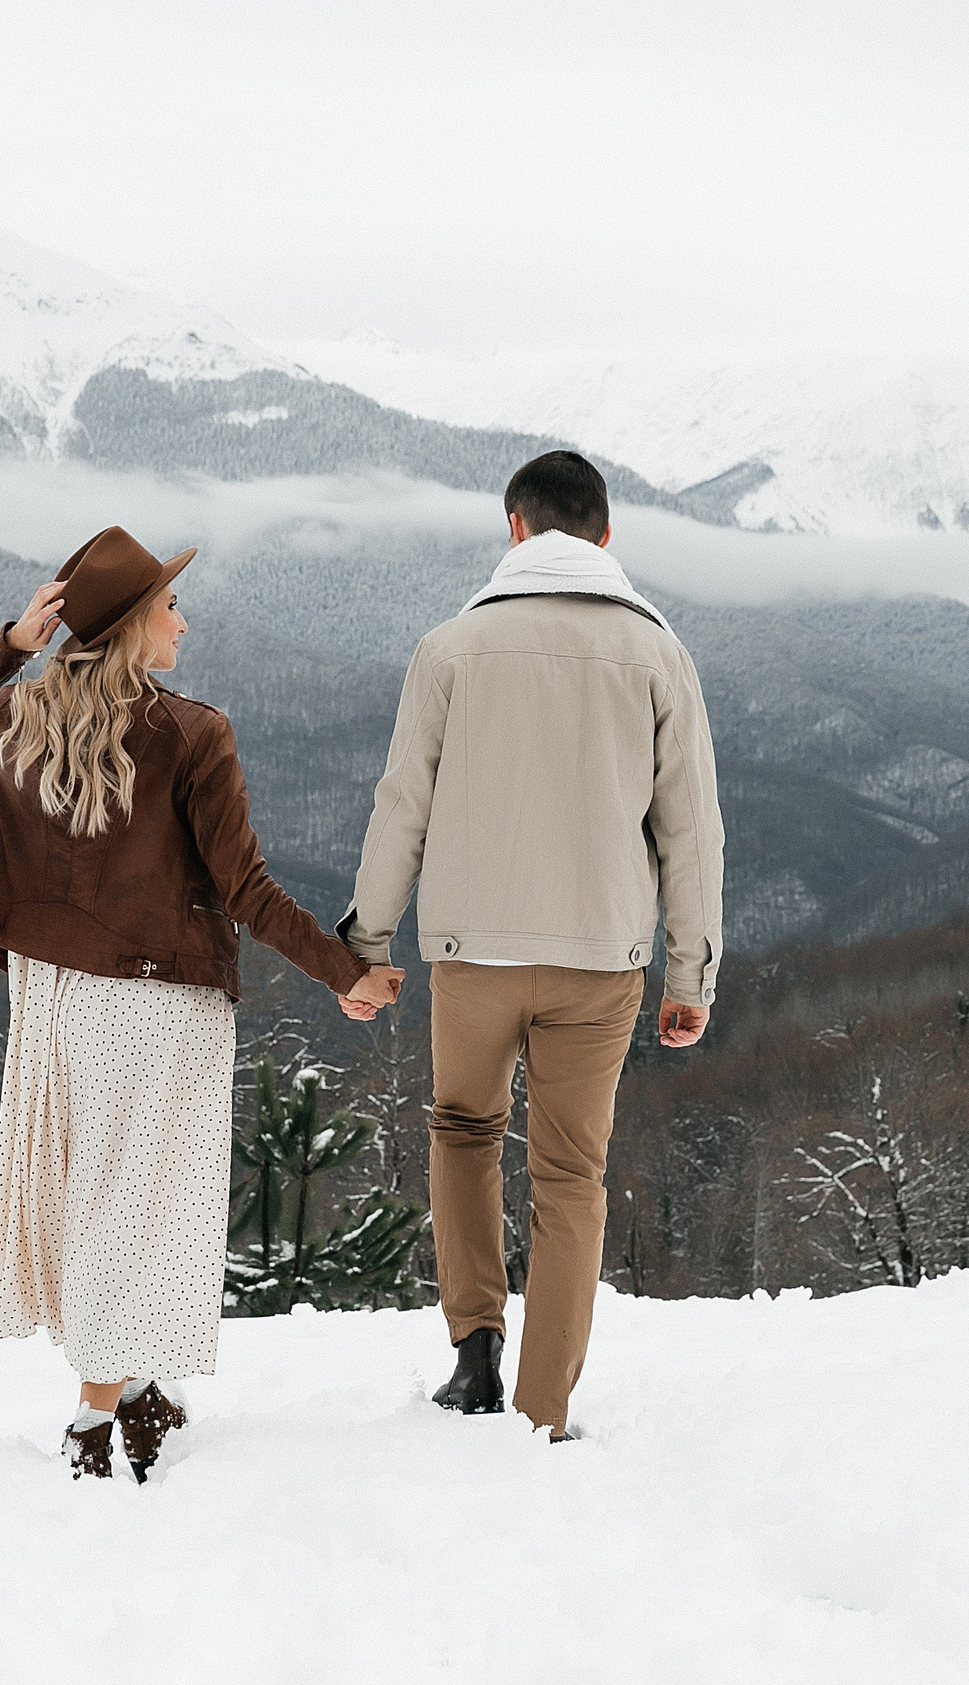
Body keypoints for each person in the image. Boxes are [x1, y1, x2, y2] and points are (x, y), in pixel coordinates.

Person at [0, 526, 403, 1481]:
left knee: (95, 1195)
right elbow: (246, 889)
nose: (183, 621)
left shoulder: (27, 714)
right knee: (135, 1205)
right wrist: (343, 971)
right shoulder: (192, 734)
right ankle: (95, 1421)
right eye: (170, 606)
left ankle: (139, 1394)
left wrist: (15, 643)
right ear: (135, 624)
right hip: (153, 1003)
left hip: (53, 994)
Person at [340, 451, 725, 1440]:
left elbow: (402, 806)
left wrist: (367, 943)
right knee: (569, 1175)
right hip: (600, 959)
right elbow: (690, 830)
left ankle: (475, 1349)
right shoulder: (658, 653)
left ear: (515, 528)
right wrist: (690, 974)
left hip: (472, 952)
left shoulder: (450, 648)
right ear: (605, 534)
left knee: (463, 1130)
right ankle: (542, 1409)